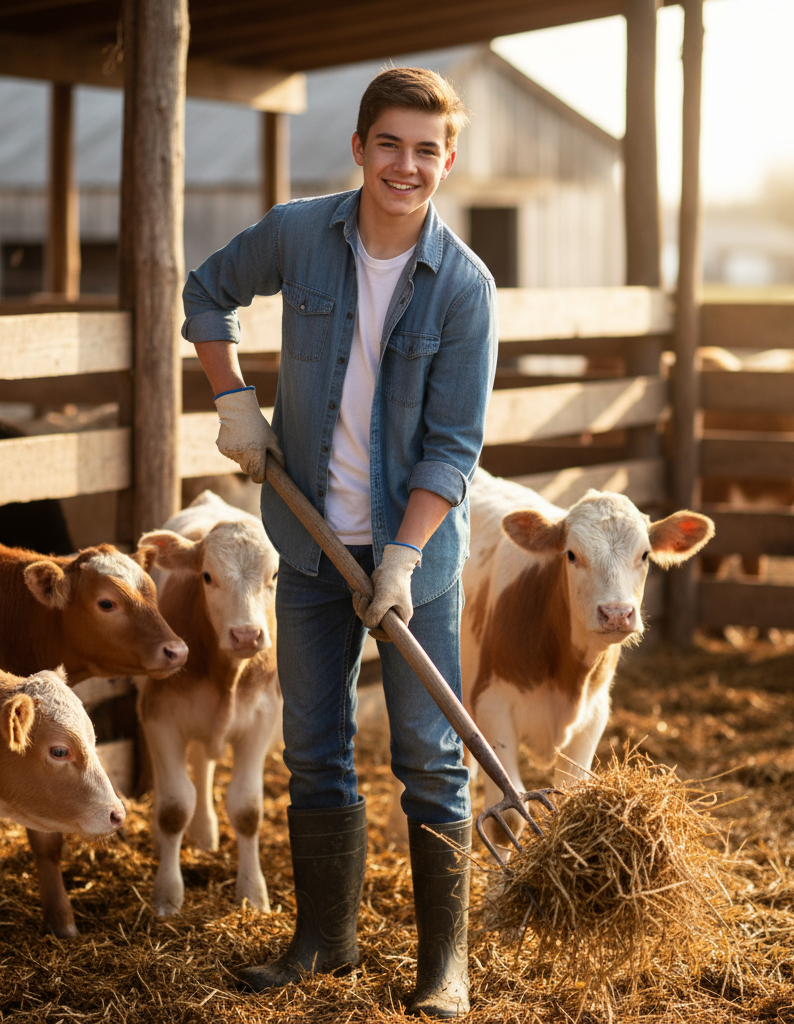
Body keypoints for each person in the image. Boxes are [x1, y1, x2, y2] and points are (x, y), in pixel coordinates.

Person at [181, 65, 496, 1018]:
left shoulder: (464, 288)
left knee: (429, 760)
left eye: (427, 150)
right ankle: (325, 940)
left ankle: (445, 965)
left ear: (449, 161)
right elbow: (206, 292)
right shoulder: (298, 235)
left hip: (416, 565)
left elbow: (452, 448)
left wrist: (401, 560)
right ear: (359, 148)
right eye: (389, 144)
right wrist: (233, 398)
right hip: (310, 550)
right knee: (314, 751)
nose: (407, 166)